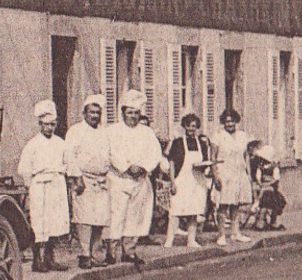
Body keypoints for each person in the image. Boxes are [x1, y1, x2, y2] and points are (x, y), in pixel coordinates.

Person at [106, 90, 169, 265]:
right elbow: (111, 153)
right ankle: (112, 251)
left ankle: (130, 250)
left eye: (136, 113)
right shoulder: (113, 131)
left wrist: (143, 168)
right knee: (117, 215)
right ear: (123, 113)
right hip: (119, 179)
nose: (133, 116)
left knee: (135, 216)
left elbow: (155, 153)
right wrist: (127, 167)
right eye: (129, 112)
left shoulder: (147, 132)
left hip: (140, 180)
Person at [18, 100, 71, 272]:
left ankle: (50, 258)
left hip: (56, 185)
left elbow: (69, 163)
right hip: (39, 186)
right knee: (39, 223)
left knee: (54, 222)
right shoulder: (32, 145)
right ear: (40, 124)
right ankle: (37, 260)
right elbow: (25, 169)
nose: (50, 128)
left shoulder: (61, 143)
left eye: (53, 125)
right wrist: (29, 187)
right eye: (46, 125)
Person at [64, 94, 110, 267]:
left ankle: (96, 254)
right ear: (84, 113)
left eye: (98, 113)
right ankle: (84, 254)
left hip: (102, 180)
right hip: (84, 179)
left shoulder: (103, 132)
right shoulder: (75, 131)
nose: (95, 116)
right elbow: (70, 156)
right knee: (84, 219)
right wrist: (76, 178)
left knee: (100, 218)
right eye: (91, 112)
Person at [165, 113, 215, 248]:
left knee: (194, 210)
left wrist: (206, 167)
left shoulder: (202, 143)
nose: (192, 129)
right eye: (189, 126)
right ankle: (169, 240)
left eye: (194, 127)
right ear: (184, 126)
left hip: (197, 181)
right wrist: (172, 181)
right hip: (182, 180)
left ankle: (191, 240)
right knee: (176, 210)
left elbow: (205, 160)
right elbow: (172, 163)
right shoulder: (178, 142)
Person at [209, 108, 254, 245]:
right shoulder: (218, 135)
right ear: (223, 122)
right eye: (227, 122)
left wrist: (249, 173)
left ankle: (235, 233)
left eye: (232, 121)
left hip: (238, 171)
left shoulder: (242, 135)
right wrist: (215, 175)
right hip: (224, 171)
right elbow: (212, 157)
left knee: (236, 204)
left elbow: (245, 156)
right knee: (223, 204)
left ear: (236, 122)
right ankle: (221, 235)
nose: (230, 124)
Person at [250, 142, 286, 230]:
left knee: (275, 204)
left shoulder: (274, 167)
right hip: (263, 188)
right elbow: (258, 176)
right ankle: (261, 221)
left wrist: (269, 183)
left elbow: (276, 178)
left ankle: (274, 222)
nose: (262, 161)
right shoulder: (261, 167)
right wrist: (260, 182)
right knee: (264, 204)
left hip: (272, 190)